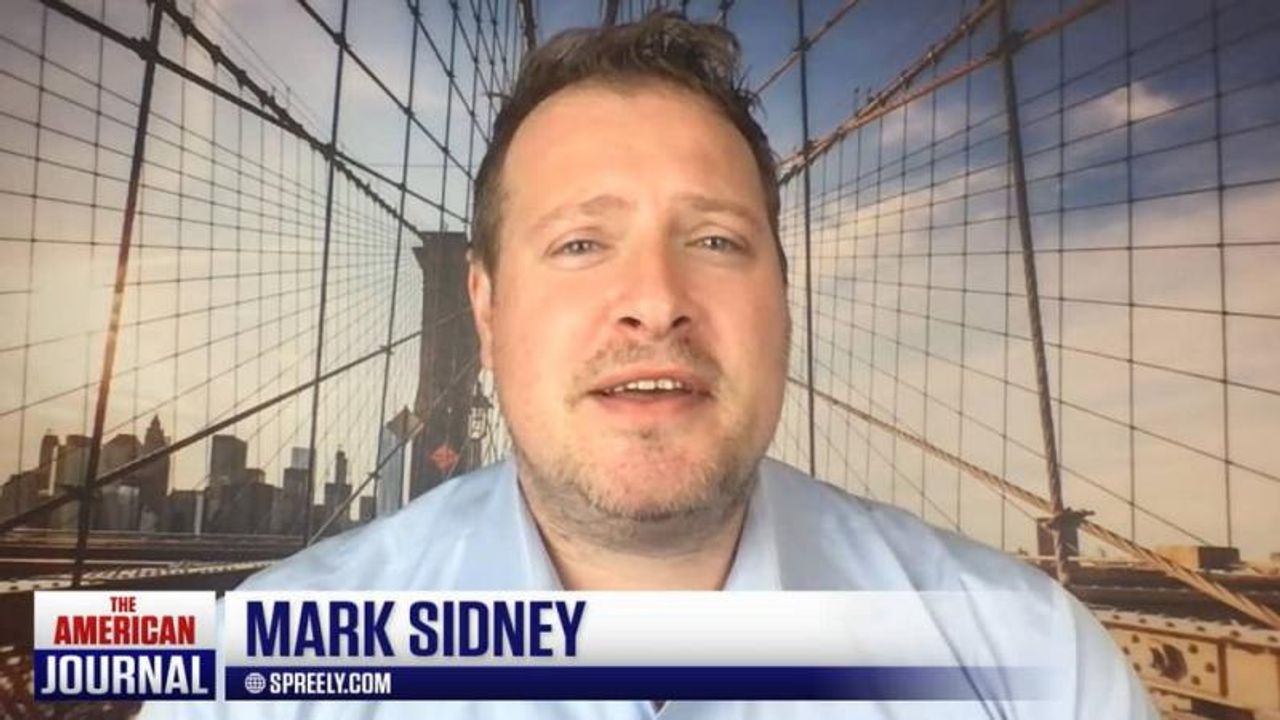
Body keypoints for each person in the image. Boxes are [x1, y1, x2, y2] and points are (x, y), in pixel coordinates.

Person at [147, 11, 1158, 719]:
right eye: (581, 243)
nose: (655, 299)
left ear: (784, 297)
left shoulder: (1030, 663)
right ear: (485, 310)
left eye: (715, 241)